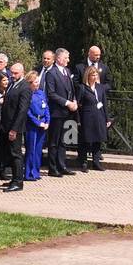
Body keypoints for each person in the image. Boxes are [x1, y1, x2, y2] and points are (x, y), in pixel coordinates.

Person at [44, 49, 78, 177]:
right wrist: (67, 103)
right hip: (57, 112)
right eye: (66, 58)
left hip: (67, 112)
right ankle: (52, 168)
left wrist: (73, 100)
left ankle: (62, 165)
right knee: (54, 141)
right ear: (58, 58)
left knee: (64, 140)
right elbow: (51, 94)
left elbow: (71, 89)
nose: (68, 60)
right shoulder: (51, 73)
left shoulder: (67, 71)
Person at [0, 63, 30, 191]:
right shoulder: (12, 84)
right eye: (11, 72)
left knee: (16, 154)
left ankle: (18, 181)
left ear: (22, 73)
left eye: (16, 73)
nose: (12, 75)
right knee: (10, 154)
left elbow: (22, 110)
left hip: (15, 127)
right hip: (6, 125)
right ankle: (14, 178)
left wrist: (14, 129)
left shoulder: (25, 87)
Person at [76, 66, 110, 172]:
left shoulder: (100, 88)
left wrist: (107, 118)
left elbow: (104, 103)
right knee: (86, 140)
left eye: (96, 75)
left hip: (99, 116)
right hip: (87, 117)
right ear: (88, 76)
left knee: (98, 140)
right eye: (92, 75)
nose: (94, 77)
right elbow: (78, 104)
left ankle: (96, 162)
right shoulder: (82, 88)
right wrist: (78, 120)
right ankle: (84, 162)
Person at [24, 71, 50, 181]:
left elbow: (46, 108)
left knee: (38, 149)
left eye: (38, 82)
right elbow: (28, 112)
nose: (37, 84)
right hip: (32, 125)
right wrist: (38, 123)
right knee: (31, 149)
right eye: (35, 82)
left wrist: (47, 121)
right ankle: (28, 173)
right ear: (30, 82)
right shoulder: (27, 94)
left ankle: (36, 171)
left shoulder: (41, 93)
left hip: (43, 124)